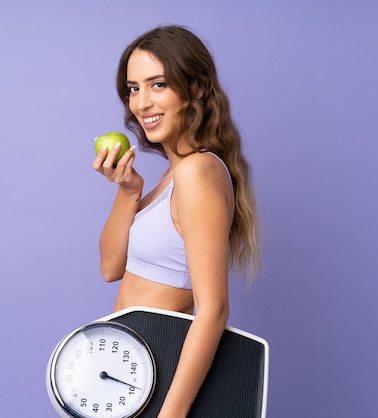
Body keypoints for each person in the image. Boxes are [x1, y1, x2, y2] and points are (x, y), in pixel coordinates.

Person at [92, 25, 260, 418]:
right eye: (133, 88)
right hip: (124, 377)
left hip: (158, 382)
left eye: (158, 84)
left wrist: (171, 414)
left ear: (196, 89)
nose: (142, 102)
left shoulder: (197, 172)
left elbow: (213, 308)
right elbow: (110, 268)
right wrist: (129, 190)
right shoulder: (174, 175)